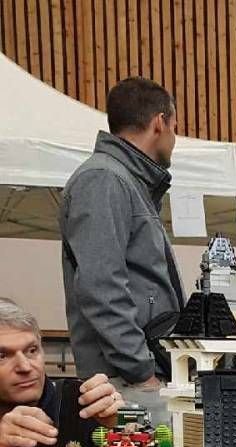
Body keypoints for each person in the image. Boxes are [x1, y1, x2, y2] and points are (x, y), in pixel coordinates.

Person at [59, 77, 185, 409]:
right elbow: (101, 286)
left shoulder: (125, 182)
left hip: (131, 376)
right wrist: (141, 371)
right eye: (175, 127)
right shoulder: (104, 180)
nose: (175, 139)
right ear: (159, 123)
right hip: (124, 383)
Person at [0, 300, 123, 447]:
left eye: (32, 350)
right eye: (2, 356)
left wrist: (119, 426)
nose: (25, 367)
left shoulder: (84, 401)